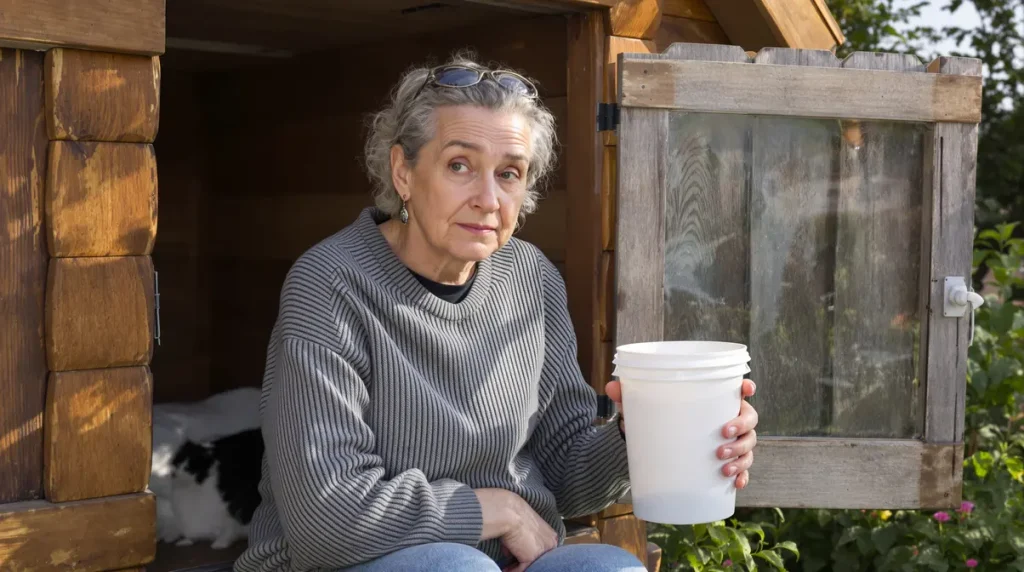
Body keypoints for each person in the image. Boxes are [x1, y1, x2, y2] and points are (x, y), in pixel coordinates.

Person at [233, 54, 759, 572]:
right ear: (403, 172)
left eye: (509, 173)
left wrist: (643, 432)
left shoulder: (531, 279)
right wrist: (498, 511)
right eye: (459, 166)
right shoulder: (329, 283)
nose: (488, 199)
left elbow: (563, 472)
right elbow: (325, 520)